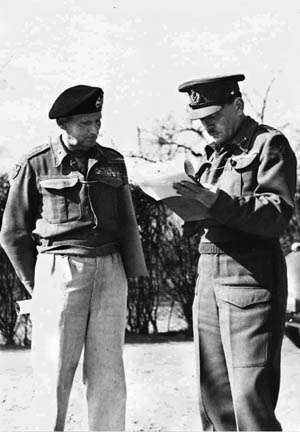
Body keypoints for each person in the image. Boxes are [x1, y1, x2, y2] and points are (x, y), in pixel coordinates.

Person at [0, 84, 147, 431]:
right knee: (53, 374)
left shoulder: (113, 161)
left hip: (111, 271)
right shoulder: (35, 164)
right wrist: (38, 286)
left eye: (98, 120)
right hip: (60, 270)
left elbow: (127, 223)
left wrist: (131, 273)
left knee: (109, 374)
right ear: (63, 124)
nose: (94, 129)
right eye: (85, 123)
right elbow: (12, 233)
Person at [173, 74, 297, 431]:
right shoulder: (214, 155)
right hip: (208, 276)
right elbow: (213, 212)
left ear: (238, 106)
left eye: (213, 115)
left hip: (249, 277)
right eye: (200, 119)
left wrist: (217, 202)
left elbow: (275, 215)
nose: (206, 125)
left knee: (249, 400)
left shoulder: (269, 145)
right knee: (214, 400)